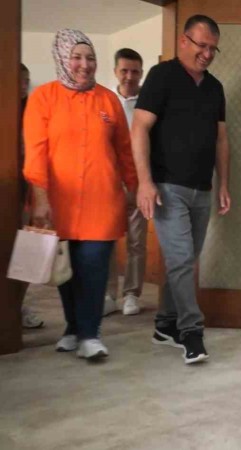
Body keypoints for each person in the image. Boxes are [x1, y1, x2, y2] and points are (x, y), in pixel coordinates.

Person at [23, 29, 138, 360]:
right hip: (57, 202)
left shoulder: (108, 100)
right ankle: (73, 328)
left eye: (90, 58)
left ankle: (90, 334)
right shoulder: (43, 97)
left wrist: (134, 186)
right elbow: (36, 153)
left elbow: (124, 150)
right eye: (76, 57)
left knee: (93, 267)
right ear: (62, 58)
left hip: (102, 201)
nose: (84, 65)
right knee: (65, 269)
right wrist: (40, 199)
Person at [132, 15, 230, 365]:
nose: (207, 54)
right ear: (183, 41)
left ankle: (165, 324)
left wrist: (223, 183)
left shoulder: (215, 87)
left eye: (213, 49)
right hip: (167, 186)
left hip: (201, 189)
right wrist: (144, 182)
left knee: (185, 262)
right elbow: (139, 128)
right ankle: (192, 331)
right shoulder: (162, 76)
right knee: (181, 261)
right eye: (202, 46)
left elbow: (221, 139)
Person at [103, 48, 147, 317]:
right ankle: (108, 294)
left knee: (136, 242)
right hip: (109, 181)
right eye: (124, 71)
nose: (129, 76)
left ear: (141, 73)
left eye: (135, 71)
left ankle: (132, 294)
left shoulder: (148, 102)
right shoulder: (106, 101)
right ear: (115, 72)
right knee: (108, 240)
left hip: (139, 182)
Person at [18, 63, 45, 329]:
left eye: (27, 80)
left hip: (29, 190)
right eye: (20, 80)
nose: (24, 85)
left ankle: (19, 305)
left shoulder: (33, 108)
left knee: (27, 252)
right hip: (8, 188)